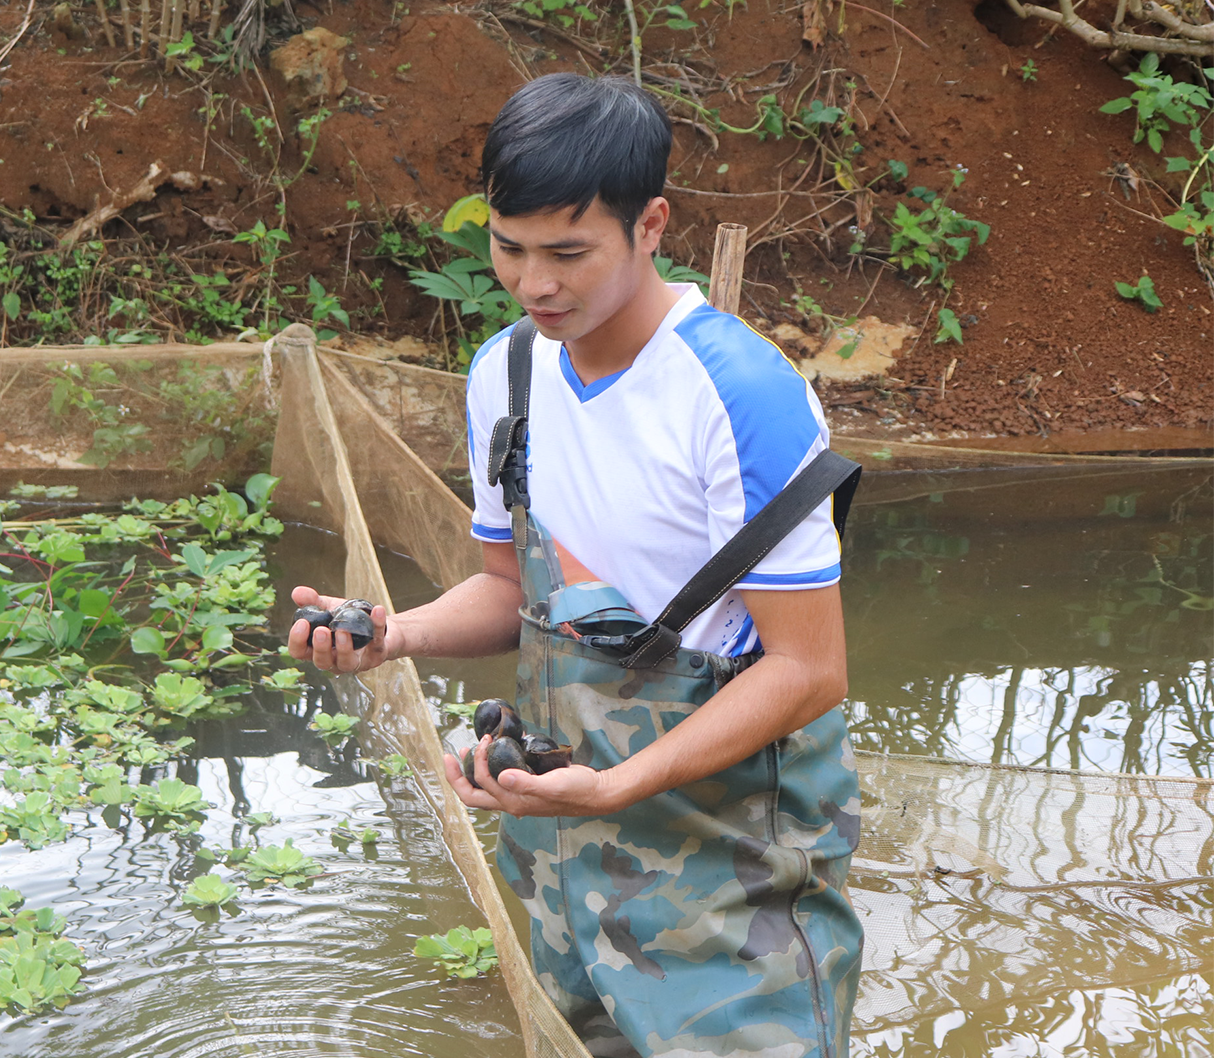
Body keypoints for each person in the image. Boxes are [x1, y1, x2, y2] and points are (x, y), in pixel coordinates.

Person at [286, 73, 862, 1058]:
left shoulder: (739, 396)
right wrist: (400, 633)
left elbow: (808, 670)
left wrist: (621, 783)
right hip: (559, 844)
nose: (535, 283)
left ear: (650, 226)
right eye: (508, 248)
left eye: (568, 251)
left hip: (727, 875)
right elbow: (516, 591)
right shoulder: (507, 377)